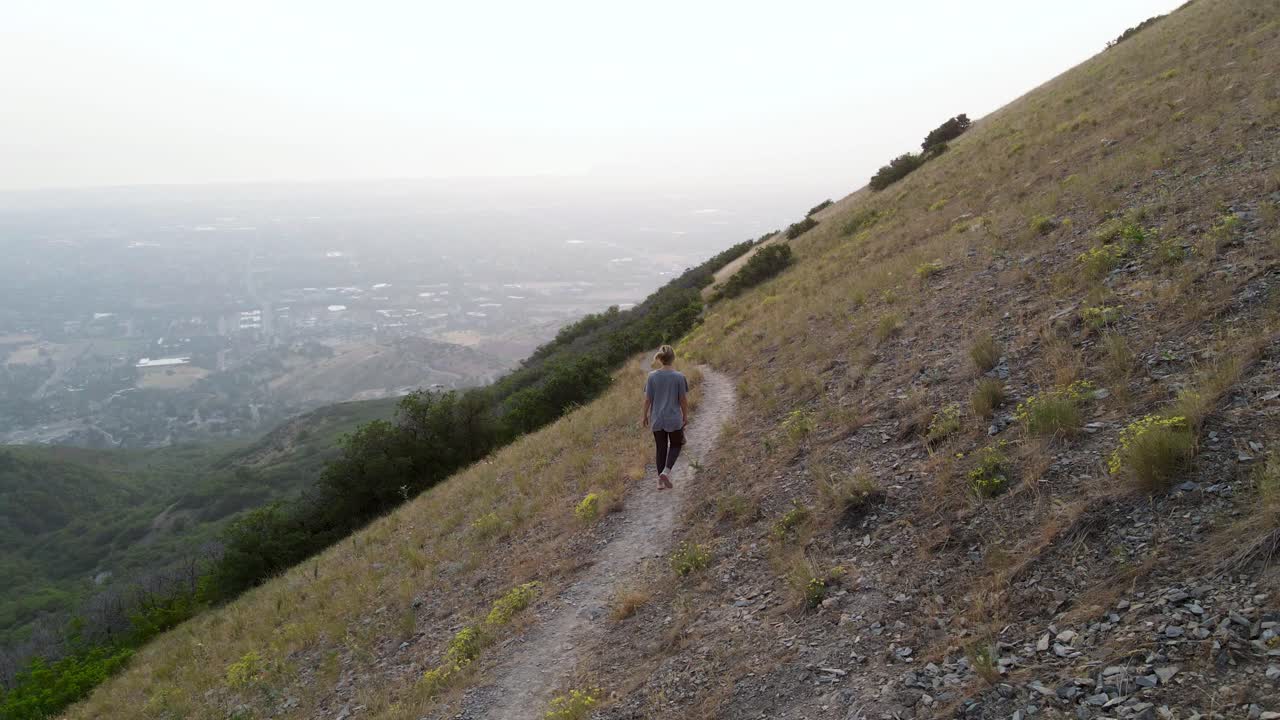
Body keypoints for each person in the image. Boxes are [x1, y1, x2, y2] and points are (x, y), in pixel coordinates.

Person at [642, 344, 688, 490]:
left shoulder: (651, 376)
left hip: (657, 418)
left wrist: (644, 415)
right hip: (674, 418)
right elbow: (683, 400)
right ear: (673, 358)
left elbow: (648, 399)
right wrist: (685, 416)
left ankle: (660, 482)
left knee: (660, 448)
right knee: (676, 444)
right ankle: (665, 472)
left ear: (661, 359)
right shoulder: (679, 377)